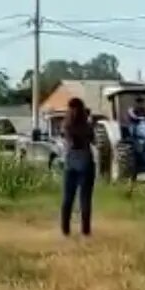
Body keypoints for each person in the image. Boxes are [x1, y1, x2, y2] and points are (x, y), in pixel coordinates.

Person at [60, 97, 96, 237]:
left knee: (68, 199)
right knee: (85, 199)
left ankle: (65, 230)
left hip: (71, 163)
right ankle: (85, 231)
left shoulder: (66, 125)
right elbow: (93, 140)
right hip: (86, 162)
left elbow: (69, 142)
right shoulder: (87, 126)